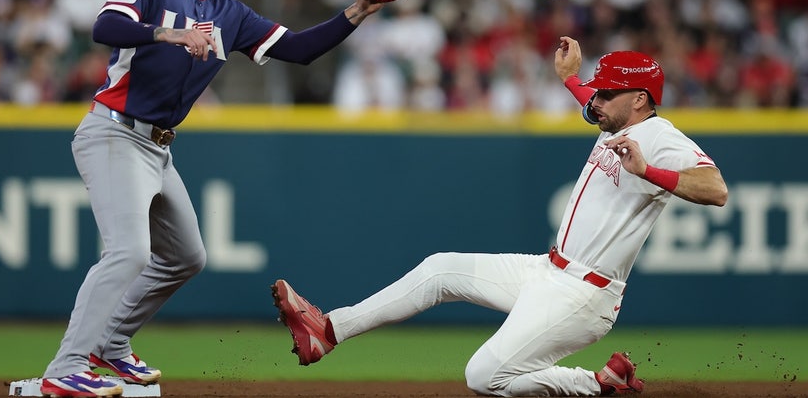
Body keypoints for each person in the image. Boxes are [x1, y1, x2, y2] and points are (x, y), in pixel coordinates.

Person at [40, 0, 387, 397]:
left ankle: (111, 345)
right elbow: (104, 28)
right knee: (130, 251)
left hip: (157, 147)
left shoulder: (228, 12)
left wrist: (359, 10)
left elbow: (300, 49)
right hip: (115, 131)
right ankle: (66, 367)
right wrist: (168, 32)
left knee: (186, 255)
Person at [272, 35, 729, 397]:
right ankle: (329, 330)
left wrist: (648, 171)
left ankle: (595, 383)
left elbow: (716, 190)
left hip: (585, 296)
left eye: (608, 93)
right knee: (440, 269)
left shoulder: (662, 138)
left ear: (642, 100)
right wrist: (571, 80)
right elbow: (592, 101)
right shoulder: (618, 116)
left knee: (483, 376)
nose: (598, 100)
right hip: (548, 271)